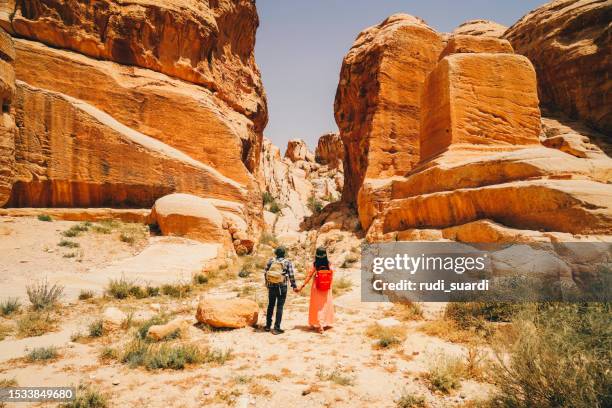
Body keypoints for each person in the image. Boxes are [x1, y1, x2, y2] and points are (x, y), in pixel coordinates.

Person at [298, 247, 335, 334]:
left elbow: (309, 275)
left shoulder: (315, 264)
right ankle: (325, 323)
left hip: (317, 287)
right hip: (326, 287)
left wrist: (302, 286)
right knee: (325, 305)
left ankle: (319, 325)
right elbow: (332, 274)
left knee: (316, 305)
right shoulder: (329, 264)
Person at [263, 246, 298, 335]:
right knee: (279, 306)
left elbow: (265, 272)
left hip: (271, 286)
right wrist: (294, 286)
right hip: (282, 286)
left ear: (276, 253)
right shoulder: (287, 262)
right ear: (284, 254)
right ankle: (276, 328)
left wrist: (267, 284)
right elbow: (291, 275)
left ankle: (267, 326)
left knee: (270, 305)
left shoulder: (271, 261)